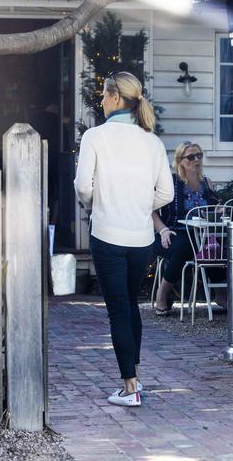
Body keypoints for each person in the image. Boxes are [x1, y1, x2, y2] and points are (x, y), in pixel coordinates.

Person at [74, 71, 174, 407]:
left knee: (118, 310)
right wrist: (141, 204)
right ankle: (135, 376)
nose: (100, 101)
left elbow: (83, 187)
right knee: (131, 305)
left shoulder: (95, 137)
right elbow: (167, 192)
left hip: (107, 234)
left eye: (103, 95)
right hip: (141, 238)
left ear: (116, 97)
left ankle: (130, 387)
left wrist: (98, 204)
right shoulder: (153, 141)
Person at [152, 141, 219, 315]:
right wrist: (163, 230)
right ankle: (162, 293)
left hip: (201, 235)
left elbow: (214, 209)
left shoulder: (207, 183)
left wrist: (218, 210)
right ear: (180, 161)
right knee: (185, 246)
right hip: (173, 234)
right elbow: (150, 211)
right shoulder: (171, 183)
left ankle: (222, 292)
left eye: (199, 155)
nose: (196, 159)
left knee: (217, 245)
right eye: (191, 157)